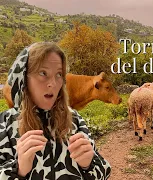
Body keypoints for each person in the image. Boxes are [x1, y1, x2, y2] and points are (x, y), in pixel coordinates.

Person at [0, 42, 111, 179]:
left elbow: (103, 171)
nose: (52, 83)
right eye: (43, 73)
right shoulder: (5, 124)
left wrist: (89, 165)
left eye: (59, 74)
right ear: (23, 77)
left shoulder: (75, 120)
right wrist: (19, 169)